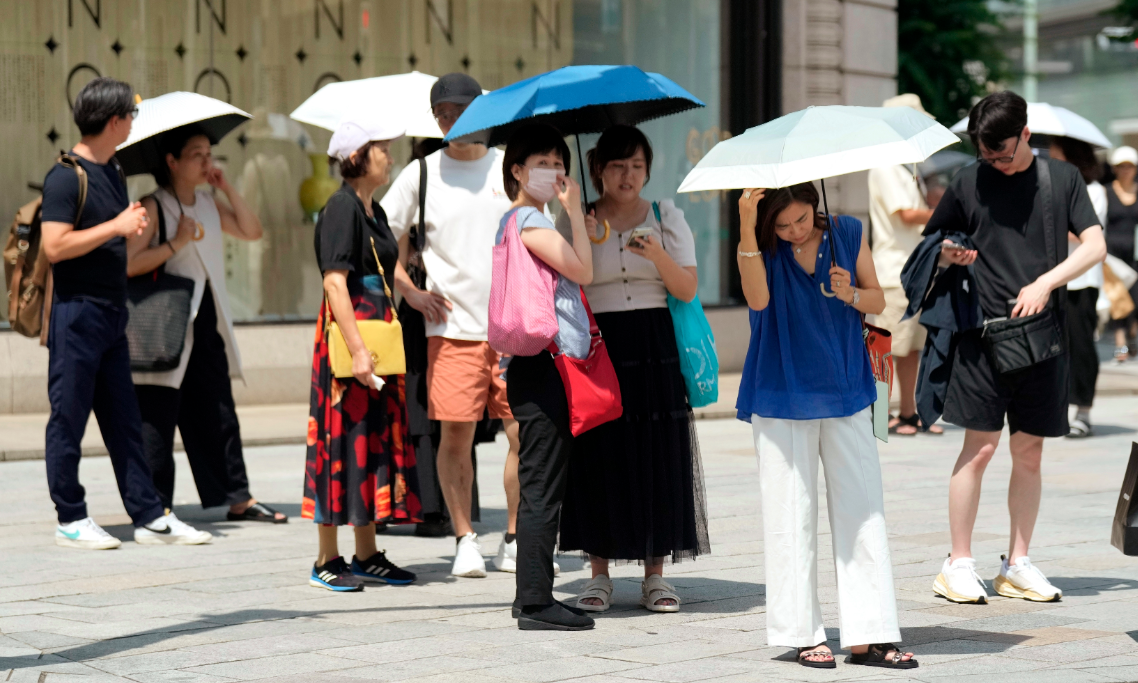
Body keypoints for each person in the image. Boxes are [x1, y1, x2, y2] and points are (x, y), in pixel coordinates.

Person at [921, 91, 1105, 604]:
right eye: (985, 155)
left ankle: (1017, 563)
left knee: (1029, 451)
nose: (995, 164)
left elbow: (1094, 245)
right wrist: (951, 253)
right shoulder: (968, 180)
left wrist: (1046, 282)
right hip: (981, 337)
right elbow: (934, 243)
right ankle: (957, 564)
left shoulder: (1061, 179)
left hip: (1042, 336)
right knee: (979, 448)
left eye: (1001, 153)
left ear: (1025, 134)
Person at [736, 182, 916, 669]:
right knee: (790, 515)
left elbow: (877, 299)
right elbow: (757, 300)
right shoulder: (761, 246)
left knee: (864, 510)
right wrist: (748, 225)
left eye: (800, 219)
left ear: (814, 205)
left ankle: (870, 635)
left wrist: (850, 292)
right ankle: (802, 634)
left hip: (847, 387)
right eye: (782, 224)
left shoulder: (847, 231)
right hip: (780, 391)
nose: (793, 231)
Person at [39, 77, 212, 550]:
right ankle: (70, 517)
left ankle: (149, 515)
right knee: (68, 418)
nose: (134, 123)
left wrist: (127, 227)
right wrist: (116, 226)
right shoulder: (65, 176)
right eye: (131, 115)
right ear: (114, 121)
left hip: (114, 314)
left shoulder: (113, 170)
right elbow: (55, 246)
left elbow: (107, 236)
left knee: (125, 420)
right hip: (77, 314)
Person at [554, 126, 709, 613]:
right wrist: (577, 228)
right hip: (598, 345)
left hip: (653, 343)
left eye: (637, 166)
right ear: (598, 169)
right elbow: (561, 284)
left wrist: (657, 253)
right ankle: (598, 574)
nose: (628, 175)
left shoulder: (666, 215)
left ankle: (655, 576)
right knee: (599, 454)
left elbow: (687, 288)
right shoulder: (578, 217)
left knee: (657, 453)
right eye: (618, 166)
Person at [383, 73, 527, 577]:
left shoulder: (509, 167)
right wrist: (409, 291)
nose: (451, 121)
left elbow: (539, 230)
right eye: (442, 114)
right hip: (449, 331)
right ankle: (465, 537)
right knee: (455, 437)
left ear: (480, 111)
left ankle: (515, 536)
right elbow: (379, 238)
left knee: (522, 434)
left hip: (513, 329)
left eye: (459, 111)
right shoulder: (421, 173)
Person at [126, 125, 286, 522]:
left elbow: (252, 230)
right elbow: (128, 263)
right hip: (165, 321)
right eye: (196, 154)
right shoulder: (153, 205)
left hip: (206, 318)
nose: (206, 161)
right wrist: (175, 244)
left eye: (208, 154)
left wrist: (227, 188)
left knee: (218, 408)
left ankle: (238, 497)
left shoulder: (209, 203)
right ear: (172, 161)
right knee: (158, 413)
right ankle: (155, 503)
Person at [302, 118, 421, 591]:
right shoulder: (340, 208)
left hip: (377, 338)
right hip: (352, 339)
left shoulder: (374, 210)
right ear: (356, 157)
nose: (389, 157)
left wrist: (414, 294)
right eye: (381, 148)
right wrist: (356, 351)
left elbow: (386, 269)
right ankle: (326, 558)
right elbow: (335, 282)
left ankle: (367, 552)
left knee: (369, 441)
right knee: (340, 442)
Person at [497, 123, 594, 630]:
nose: (554, 171)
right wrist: (574, 212)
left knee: (541, 481)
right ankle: (535, 602)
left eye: (559, 162)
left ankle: (531, 596)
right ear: (517, 169)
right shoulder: (529, 219)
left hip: (531, 363)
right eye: (543, 162)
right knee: (541, 486)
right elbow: (584, 271)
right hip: (544, 364)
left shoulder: (511, 220)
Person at [868, 94, 943, 436]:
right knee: (887, 348)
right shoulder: (886, 165)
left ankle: (908, 414)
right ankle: (880, 418)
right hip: (894, 273)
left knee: (910, 349)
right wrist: (943, 211)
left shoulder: (904, 167)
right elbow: (906, 215)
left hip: (911, 271)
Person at [1046, 136, 1108, 438]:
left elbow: (1086, 234)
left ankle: (1083, 411)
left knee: (1082, 347)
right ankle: (1057, 408)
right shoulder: (1050, 188)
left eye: (1056, 154)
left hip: (1083, 281)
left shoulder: (1094, 191)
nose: (1050, 160)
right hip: (1052, 279)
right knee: (1053, 348)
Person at [1106, 146, 1138, 363]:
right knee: (1118, 298)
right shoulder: (1106, 192)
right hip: (1113, 255)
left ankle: (1132, 335)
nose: (1126, 170)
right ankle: (1121, 344)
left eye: (1129, 166)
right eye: (1121, 166)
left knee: (1135, 299)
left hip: (1135, 254)